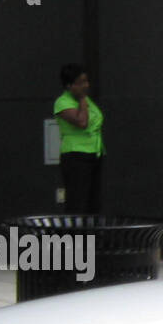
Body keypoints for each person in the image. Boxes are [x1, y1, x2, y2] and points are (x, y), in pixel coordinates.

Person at [54, 63, 105, 213]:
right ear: (69, 85)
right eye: (80, 83)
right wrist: (82, 99)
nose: (85, 86)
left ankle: (93, 235)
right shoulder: (63, 102)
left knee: (93, 201)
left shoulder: (87, 101)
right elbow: (82, 122)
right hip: (76, 156)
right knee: (77, 201)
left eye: (86, 81)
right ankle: (74, 236)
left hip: (94, 153)